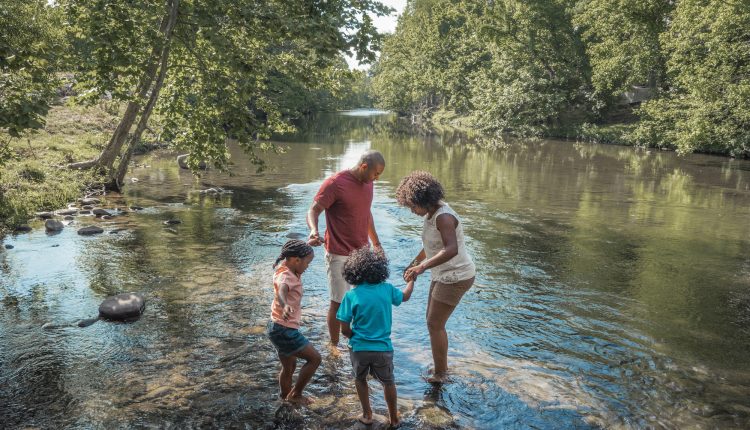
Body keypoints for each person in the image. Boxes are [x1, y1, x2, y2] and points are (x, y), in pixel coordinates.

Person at [396, 171, 476, 383]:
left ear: (423, 200)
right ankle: (440, 366)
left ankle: (441, 373)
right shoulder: (431, 214)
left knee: (434, 323)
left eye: (412, 206)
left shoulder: (444, 217)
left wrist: (421, 268)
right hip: (442, 274)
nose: (412, 210)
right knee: (432, 322)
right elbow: (430, 246)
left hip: (456, 276)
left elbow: (451, 249)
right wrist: (414, 263)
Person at [307, 150, 386, 347]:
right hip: (338, 252)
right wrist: (313, 231)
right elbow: (314, 210)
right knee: (339, 303)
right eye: (376, 174)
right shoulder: (336, 183)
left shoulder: (368, 185)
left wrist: (376, 244)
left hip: (362, 254)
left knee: (363, 301)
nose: (376, 179)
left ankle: (357, 342)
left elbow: (366, 214)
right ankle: (334, 347)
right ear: (363, 166)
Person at [336, 247, 414, 427]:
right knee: (388, 382)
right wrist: (411, 281)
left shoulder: (351, 295)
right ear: (380, 269)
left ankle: (367, 414)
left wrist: (354, 337)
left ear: (353, 272)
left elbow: (344, 329)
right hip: (383, 348)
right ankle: (394, 418)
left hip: (359, 348)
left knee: (360, 379)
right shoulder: (387, 289)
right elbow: (405, 296)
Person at [267, 240, 322, 405]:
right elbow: (282, 290)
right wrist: (285, 306)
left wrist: (308, 242)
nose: (307, 266)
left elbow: (294, 251)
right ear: (296, 260)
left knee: (289, 367)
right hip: (285, 330)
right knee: (315, 359)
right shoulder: (286, 276)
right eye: (307, 262)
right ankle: (296, 394)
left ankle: (285, 398)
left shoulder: (285, 266)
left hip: (275, 327)